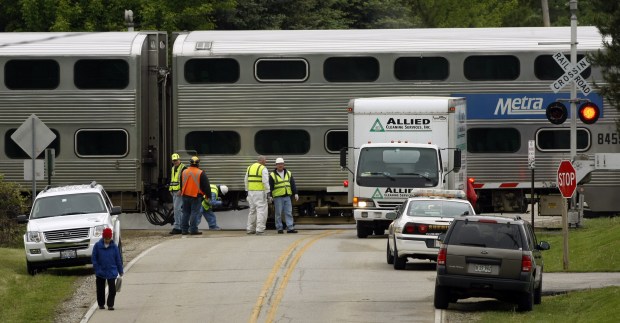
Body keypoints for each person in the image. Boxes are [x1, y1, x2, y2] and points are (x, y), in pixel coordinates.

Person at [92, 227, 124, 311]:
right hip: (100, 270)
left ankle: (110, 304)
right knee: (100, 289)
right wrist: (96, 267)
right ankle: (101, 304)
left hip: (111, 270)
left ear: (111, 238)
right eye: (106, 238)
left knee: (112, 290)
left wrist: (120, 271)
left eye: (109, 238)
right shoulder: (97, 246)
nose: (107, 240)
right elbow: (94, 258)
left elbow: (118, 259)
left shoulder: (114, 247)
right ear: (103, 237)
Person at [180, 156, 210, 235]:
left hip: (185, 195)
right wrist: (208, 196)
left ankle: (184, 230)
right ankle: (193, 230)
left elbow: (181, 183)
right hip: (195, 196)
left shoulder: (184, 171)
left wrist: (182, 191)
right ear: (198, 163)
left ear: (190, 163)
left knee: (185, 212)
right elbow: (206, 186)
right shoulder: (200, 172)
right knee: (194, 213)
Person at [269, 157, 299, 234]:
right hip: (278, 197)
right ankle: (279, 228)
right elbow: (270, 186)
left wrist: (295, 193)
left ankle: (290, 228)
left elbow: (292, 184)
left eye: (281, 164)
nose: (280, 165)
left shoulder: (288, 173)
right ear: (276, 165)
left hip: (287, 196)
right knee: (278, 213)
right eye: (278, 164)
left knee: (289, 212)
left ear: (284, 164)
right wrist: (270, 196)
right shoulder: (272, 175)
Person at [244, 155, 270, 235]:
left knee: (252, 210)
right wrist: (268, 192)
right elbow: (265, 181)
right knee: (261, 210)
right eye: (265, 160)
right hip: (259, 192)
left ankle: (250, 228)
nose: (266, 162)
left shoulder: (249, 167)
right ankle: (260, 229)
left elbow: (246, 180)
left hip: (250, 192)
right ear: (262, 161)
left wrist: (247, 191)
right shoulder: (263, 168)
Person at [168, 153, 186, 235]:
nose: (175, 162)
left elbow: (185, 181)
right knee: (179, 209)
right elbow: (172, 180)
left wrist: (181, 190)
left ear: (179, 159)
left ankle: (177, 227)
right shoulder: (173, 168)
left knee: (177, 209)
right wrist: (170, 189)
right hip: (174, 191)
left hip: (179, 192)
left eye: (176, 160)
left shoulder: (183, 168)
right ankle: (182, 226)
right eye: (174, 160)